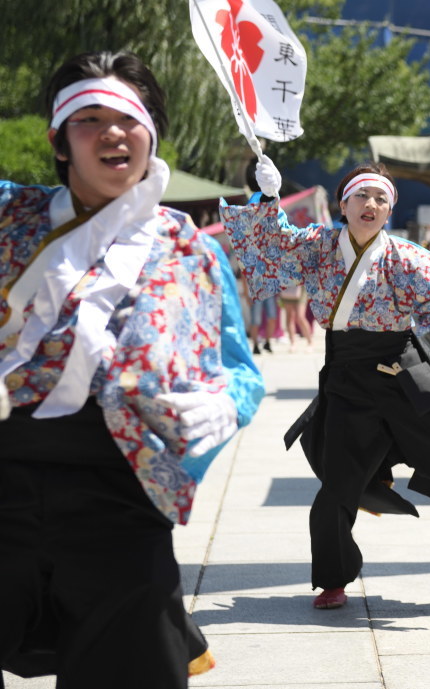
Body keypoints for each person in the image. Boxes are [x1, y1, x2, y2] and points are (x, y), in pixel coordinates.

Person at [0, 51, 264, 687]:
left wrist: (227, 403)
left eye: (126, 117)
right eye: (88, 118)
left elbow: (241, 369)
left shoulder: (188, 251)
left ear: (151, 132)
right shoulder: (9, 218)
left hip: (121, 492)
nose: (111, 132)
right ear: (60, 142)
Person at [221, 159, 430, 612]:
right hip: (346, 377)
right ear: (343, 204)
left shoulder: (402, 255)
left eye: (381, 198)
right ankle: (333, 579)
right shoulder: (318, 246)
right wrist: (266, 197)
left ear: (389, 210)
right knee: (337, 486)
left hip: (403, 370)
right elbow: (269, 245)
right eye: (362, 195)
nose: (371, 204)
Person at [279, 282, 314, 352]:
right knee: (289, 317)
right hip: (287, 286)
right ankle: (293, 343)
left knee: (300, 317)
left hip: (301, 287)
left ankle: (310, 342)